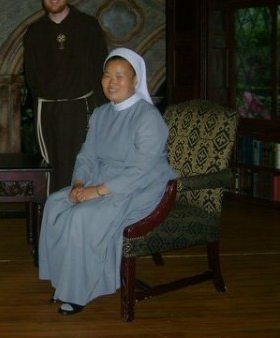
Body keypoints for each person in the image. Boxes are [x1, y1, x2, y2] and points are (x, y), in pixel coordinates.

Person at [38, 47, 178, 315]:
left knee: (83, 216)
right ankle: (64, 280)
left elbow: (141, 168)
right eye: (107, 75)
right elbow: (87, 154)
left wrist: (98, 191)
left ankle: (79, 292)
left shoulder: (148, 117)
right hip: (100, 179)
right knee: (55, 204)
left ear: (135, 80)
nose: (111, 82)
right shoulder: (101, 114)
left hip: (141, 186)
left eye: (119, 76)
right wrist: (79, 184)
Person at [23, 0, 109, 193]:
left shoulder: (88, 26)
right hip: (48, 112)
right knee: (53, 169)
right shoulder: (34, 32)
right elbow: (31, 77)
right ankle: (56, 211)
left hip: (82, 110)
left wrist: (102, 112)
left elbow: (101, 70)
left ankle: (83, 212)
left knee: (83, 165)